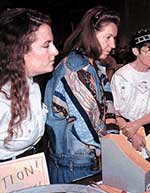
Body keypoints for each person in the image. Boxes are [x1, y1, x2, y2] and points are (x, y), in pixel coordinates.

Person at [44, 6, 120, 183]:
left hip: (86, 160)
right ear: (90, 34)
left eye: (114, 38)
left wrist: (114, 133)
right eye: (107, 37)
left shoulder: (93, 65)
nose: (113, 45)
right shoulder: (76, 69)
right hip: (73, 165)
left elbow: (108, 103)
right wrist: (119, 150)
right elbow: (89, 128)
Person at [0, 8, 59, 161]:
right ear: (19, 50)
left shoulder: (33, 84)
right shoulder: (2, 97)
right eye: (46, 45)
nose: (56, 51)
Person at [111, 28, 150, 151]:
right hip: (125, 129)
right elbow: (115, 112)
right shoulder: (121, 76)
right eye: (148, 50)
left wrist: (136, 125)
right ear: (135, 51)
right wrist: (132, 133)